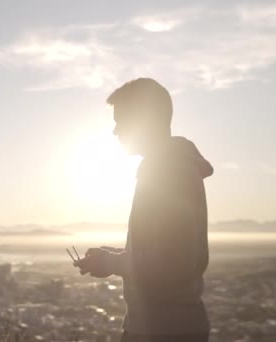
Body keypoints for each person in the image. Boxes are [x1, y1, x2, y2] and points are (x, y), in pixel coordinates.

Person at [74, 78, 213, 342]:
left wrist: (113, 263)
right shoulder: (166, 167)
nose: (115, 131)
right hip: (162, 326)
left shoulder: (170, 171)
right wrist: (113, 256)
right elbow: (163, 251)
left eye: (121, 121)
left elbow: (175, 262)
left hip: (166, 331)